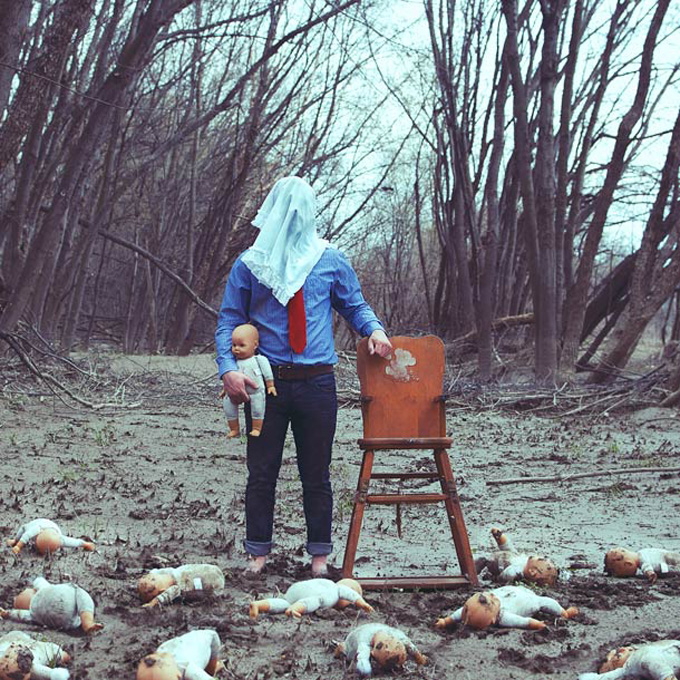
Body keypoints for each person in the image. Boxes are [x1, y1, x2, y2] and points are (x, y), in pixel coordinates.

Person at [215, 176, 391, 575]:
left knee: (317, 471)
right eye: (286, 210)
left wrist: (375, 330)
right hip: (264, 383)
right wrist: (228, 369)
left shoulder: (330, 259)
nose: (293, 218)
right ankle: (257, 554)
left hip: (317, 383)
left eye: (301, 211)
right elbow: (228, 320)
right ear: (273, 210)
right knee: (261, 471)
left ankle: (319, 559)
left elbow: (355, 306)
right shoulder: (251, 263)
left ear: (311, 213)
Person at [435, 584, 579, 631]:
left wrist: (445, 621)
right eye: (492, 601)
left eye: (487, 594)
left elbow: (457, 615)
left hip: (515, 590)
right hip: (530, 600)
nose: (492, 595)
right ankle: (563, 612)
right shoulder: (504, 617)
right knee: (547, 602)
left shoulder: (468, 612)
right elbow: (523, 622)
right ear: (492, 620)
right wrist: (537, 625)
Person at [220, 323, 276, 438]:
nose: (236, 349)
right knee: (228, 405)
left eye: (241, 345)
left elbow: (267, 373)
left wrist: (270, 385)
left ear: (255, 345)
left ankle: (256, 428)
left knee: (258, 407)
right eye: (234, 345)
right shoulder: (233, 362)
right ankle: (234, 429)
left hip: (256, 390)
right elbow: (230, 377)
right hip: (236, 389)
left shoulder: (259, 359)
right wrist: (225, 388)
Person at [248, 577, 372, 619]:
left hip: (296, 589)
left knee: (284, 602)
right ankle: (295, 609)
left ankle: (259, 605)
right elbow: (352, 595)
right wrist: (362, 603)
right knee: (317, 601)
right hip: (313, 594)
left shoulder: (325, 582)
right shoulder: (336, 589)